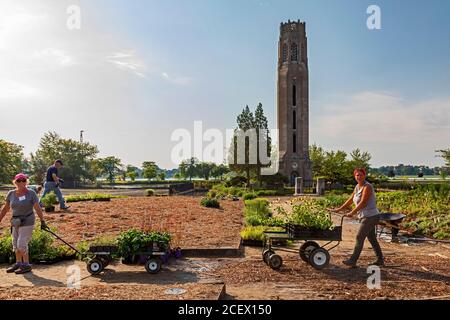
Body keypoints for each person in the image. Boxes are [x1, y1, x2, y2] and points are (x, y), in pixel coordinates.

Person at [331, 168, 384, 268]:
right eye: (357, 175)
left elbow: (363, 202)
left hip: (371, 216)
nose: (359, 177)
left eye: (361, 175)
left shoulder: (367, 187)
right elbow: (350, 200)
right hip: (366, 216)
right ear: (354, 176)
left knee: (359, 237)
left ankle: (353, 260)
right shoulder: (357, 187)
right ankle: (380, 259)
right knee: (372, 238)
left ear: (364, 175)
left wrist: (352, 212)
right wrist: (339, 209)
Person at [0, 173, 49, 274]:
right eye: (18, 180)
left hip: (27, 220)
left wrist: (42, 220)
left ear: (26, 182)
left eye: (23, 180)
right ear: (15, 182)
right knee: (15, 243)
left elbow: (37, 208)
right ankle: (18, 263)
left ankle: (26, 265)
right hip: (15, 221)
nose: (21, 182)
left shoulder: (31, 193)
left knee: (21, 244)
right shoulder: (11, 193)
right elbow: (5, 208)